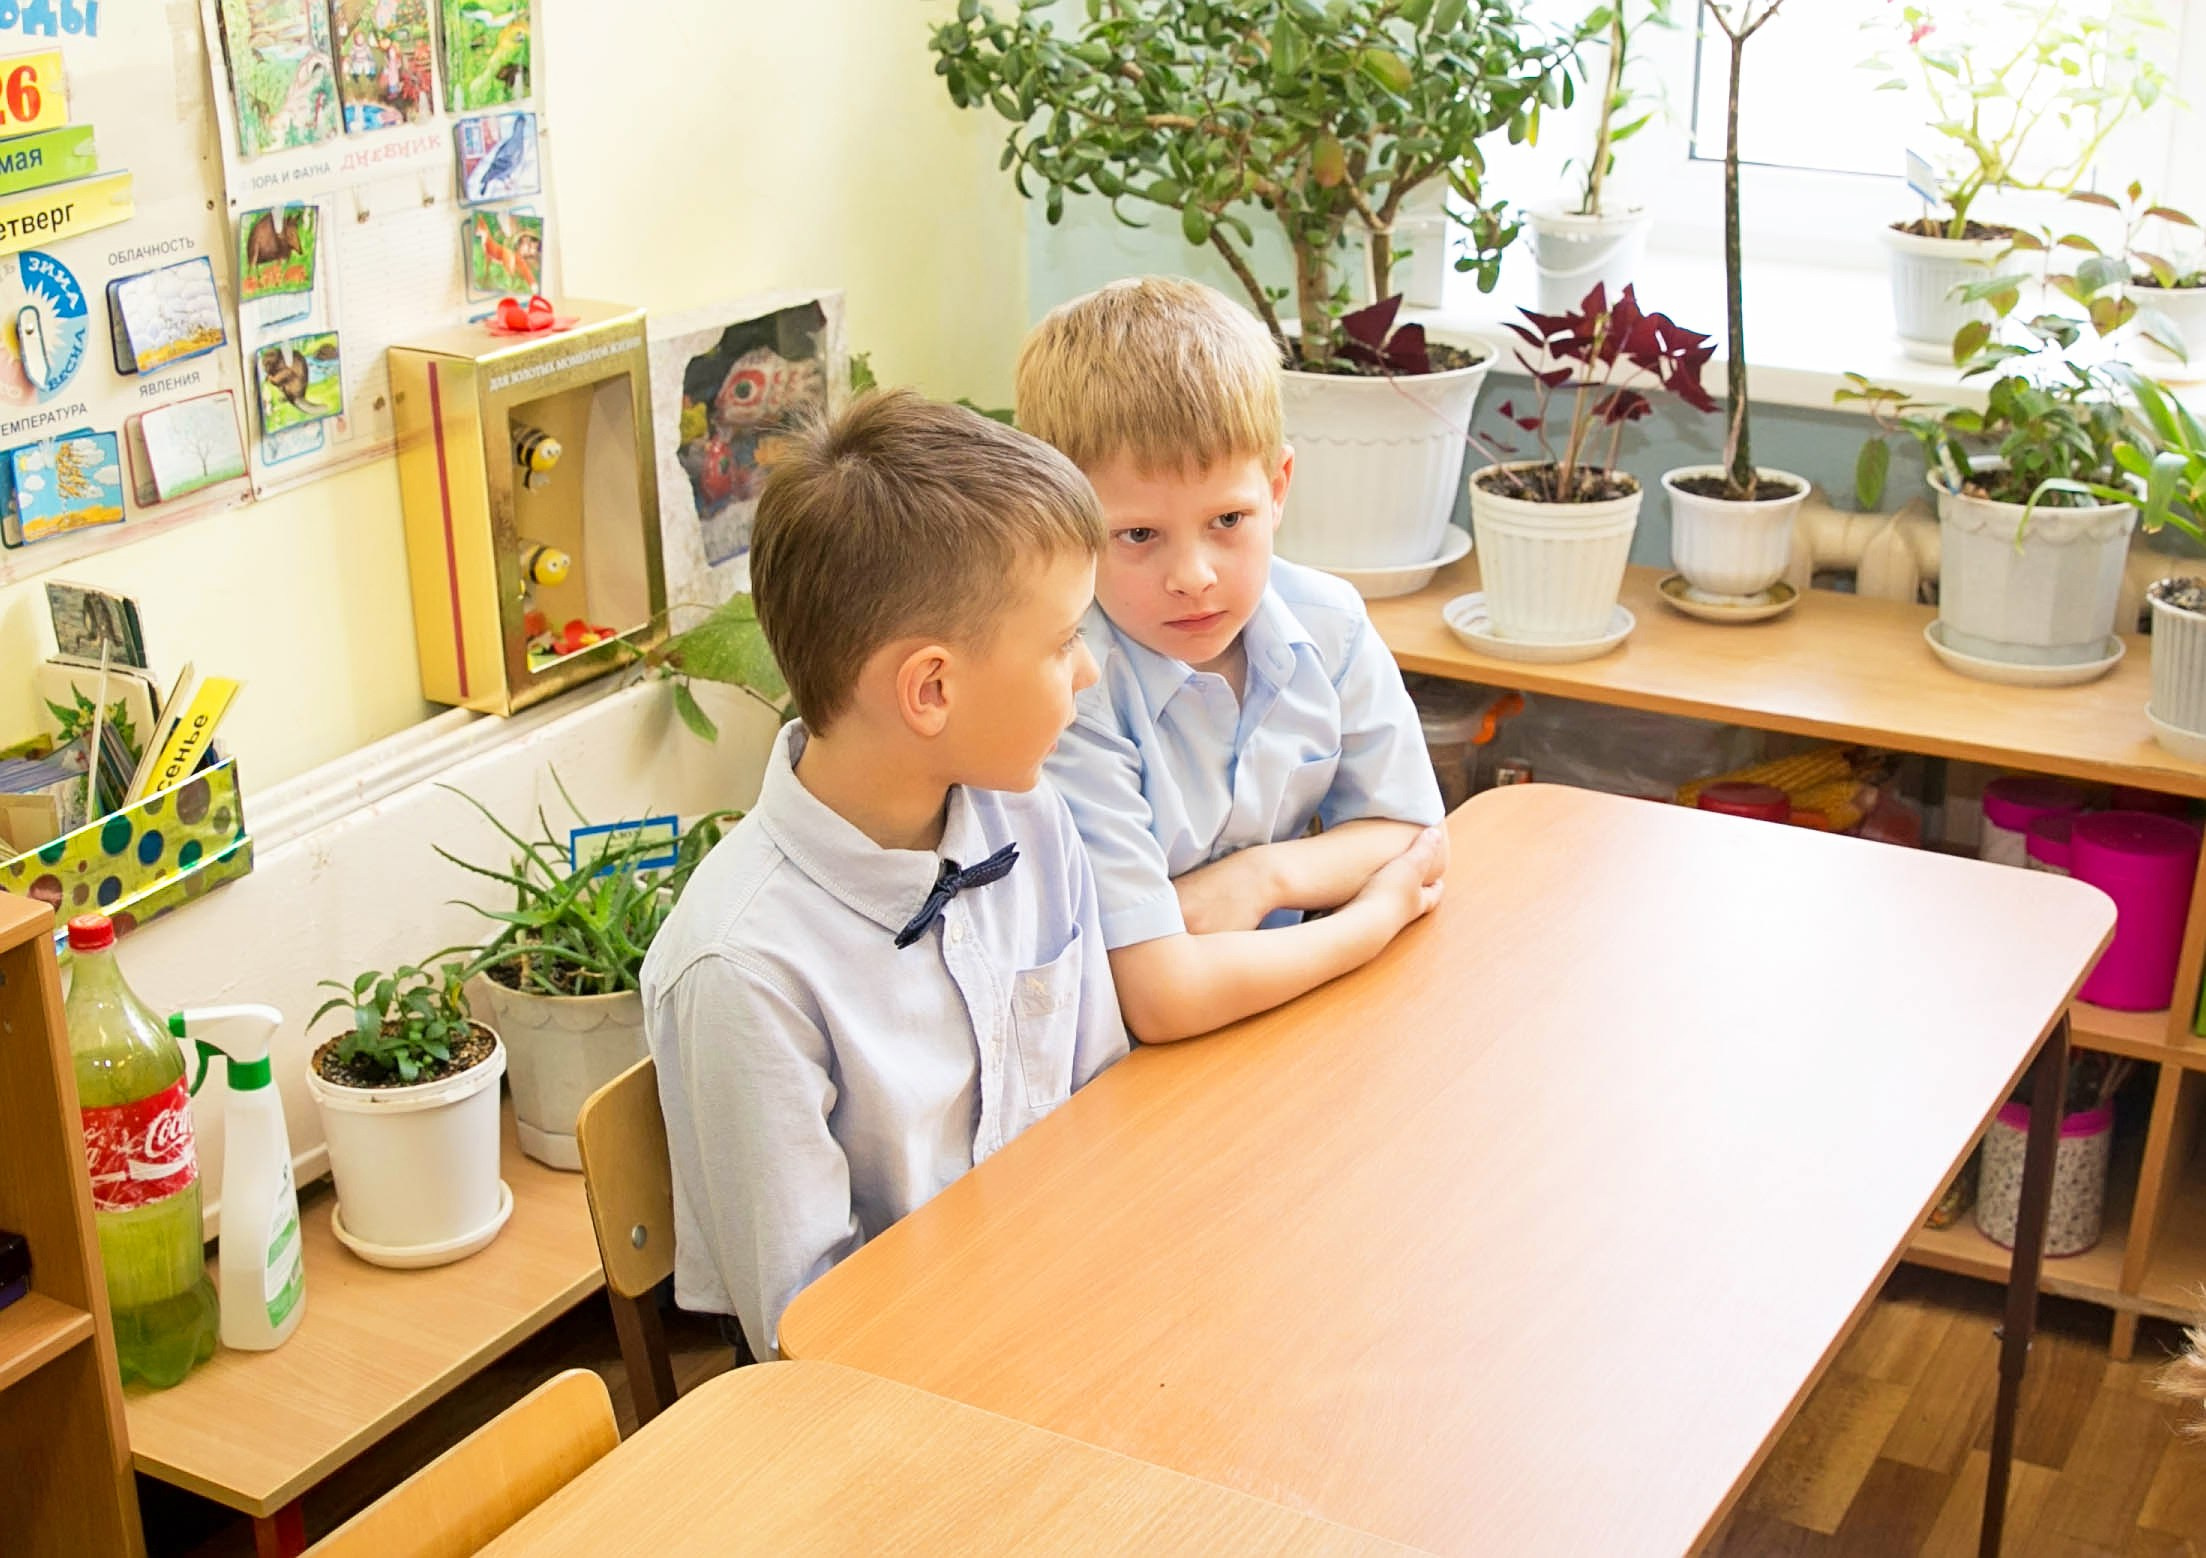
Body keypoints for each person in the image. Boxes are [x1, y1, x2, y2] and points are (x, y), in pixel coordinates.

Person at [642, 391, 1128, 1358]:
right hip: (899, 1398)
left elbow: (1102, 1109)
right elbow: (808, 1338)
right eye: (1065, 641)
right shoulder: (743, 972)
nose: (1090, 673)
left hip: (1070, 1309)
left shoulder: (1029, 818)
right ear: (932, 689)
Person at [1022, 276, 1448, 1042]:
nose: (1194, 576)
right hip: (1118, 1072)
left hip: (1279, 1016)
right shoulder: (1073, 689)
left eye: (1228, 519)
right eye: (1139, 536)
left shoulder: (1330, 625)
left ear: (1278, 488)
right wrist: (1374, 914)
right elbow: (1159, 1003)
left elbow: (1413, 835)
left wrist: (1262, 878)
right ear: (1067, 525)